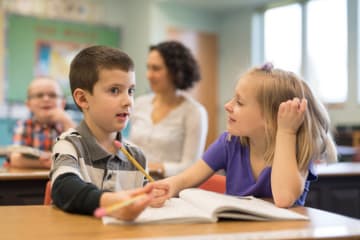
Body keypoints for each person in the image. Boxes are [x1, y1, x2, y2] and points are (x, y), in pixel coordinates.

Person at [157, 63, 337, 208]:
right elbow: (186, 179)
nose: (228, 105)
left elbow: (283, 199)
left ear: (271, 117)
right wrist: (164, 187)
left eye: (240, 102)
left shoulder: (296, 150)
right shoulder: (229, 143)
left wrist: (286, 131)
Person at [50, 45, 169, 221]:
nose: (128, 101)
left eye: (131, 91)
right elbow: (63, 187)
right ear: (83, 98)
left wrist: (153, 196)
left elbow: (143, 198)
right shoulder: (69, 144)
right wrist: (108, 202)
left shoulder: (136, 155)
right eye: (115, 90)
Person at [129, 41, 208, 177]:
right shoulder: (139, 104)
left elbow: (191, 166)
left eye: (156, 69)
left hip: (167, 188)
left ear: (175, 71)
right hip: (132, 183)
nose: (149, 75)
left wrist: (157, 168)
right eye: (148, 68)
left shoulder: (194, 112)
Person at [7, 76, 76, 169]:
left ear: (63, 103)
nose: (46, 99)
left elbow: (82, 156)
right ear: (28, 104)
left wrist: (67, 121)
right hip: (32, 180)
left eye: (52, 95)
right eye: (39, 95)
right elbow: (15, 159)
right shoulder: (24, 125)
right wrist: (50, 163)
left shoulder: (67, 124)